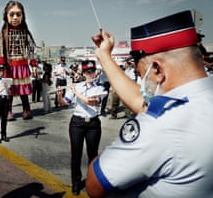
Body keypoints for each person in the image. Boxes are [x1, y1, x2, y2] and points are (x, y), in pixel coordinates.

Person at [86, 10, 213, 197]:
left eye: (140, 73)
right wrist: (105, 56)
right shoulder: (198, 99)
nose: (141, 80)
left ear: (157, 69)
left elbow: (95, 184)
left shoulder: (160, 127)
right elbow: (142, 102)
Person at [57, 60, 106, 196]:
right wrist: (60, 94)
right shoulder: (76, 86)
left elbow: (92, 102)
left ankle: (92, 183)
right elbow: (63, 103)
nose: (90, 74)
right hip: (77, 123)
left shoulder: (100, 88)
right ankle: (76, 184)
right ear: (83, 73)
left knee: (93, 155)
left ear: (95, 72)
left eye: (92, 71)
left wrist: (75, 93)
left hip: (93, 124)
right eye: (87, 72)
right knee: (76, 154)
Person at [0, 0, 36, 120]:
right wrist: (0, 66)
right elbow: (0, 50)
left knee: (23, 90)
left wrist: (34, 64)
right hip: (8, 66)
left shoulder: (26, 33)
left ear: (23, 16)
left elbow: (31, 50)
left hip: (22, 66)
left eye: (18, 14)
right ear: (6, 16)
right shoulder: (2, 34)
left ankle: (26, 109)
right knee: (8, 91)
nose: (15, 17)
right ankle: (8, 111)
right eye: (12, 14)